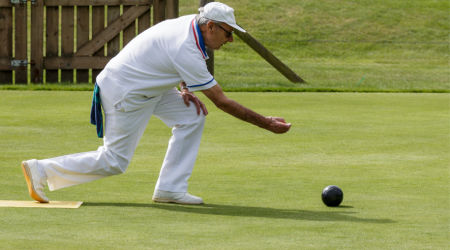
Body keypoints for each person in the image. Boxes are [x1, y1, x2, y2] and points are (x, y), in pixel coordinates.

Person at [21, 2, 291, 205]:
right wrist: (265, 123)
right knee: (114, 161)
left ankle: (170, 189)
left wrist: (185, 86)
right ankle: (40, 170)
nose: (230, 39)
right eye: (229, 33)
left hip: (151, 87)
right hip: (125, 91)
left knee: (191, 116)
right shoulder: (185, 46)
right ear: (211, 26)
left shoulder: (193, 24)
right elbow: (221, 101)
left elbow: (171, 60)